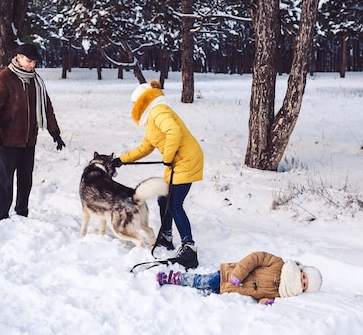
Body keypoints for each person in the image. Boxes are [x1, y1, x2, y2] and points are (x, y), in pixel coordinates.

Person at [112, 79, 204, 268]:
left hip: (186, 160)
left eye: (134, 103)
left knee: (175, 204)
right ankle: (167, 236)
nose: (132, 107)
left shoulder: (159, 111)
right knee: (164, 199)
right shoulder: (152, 117)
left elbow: (174, 132)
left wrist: (168, 156)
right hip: (178, 162)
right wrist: (122, 160)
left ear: (142, 101)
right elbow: (145, 147)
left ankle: (189, 248)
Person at [0, 43, 65, 222]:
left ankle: (22, 213)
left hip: (29, 140)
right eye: (29, 61)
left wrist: (55, 132)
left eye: (34, 62)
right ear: (19, 57)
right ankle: (1, 216)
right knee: (5, 181)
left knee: (25, 180)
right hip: (8, 140)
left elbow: (46, 107)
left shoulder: (35, 81)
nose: (32, 65)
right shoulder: (4, 79)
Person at [156, 251, 322, 305]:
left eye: (305, 284)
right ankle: (176, 278)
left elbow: (264, 295)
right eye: (304, 276)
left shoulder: (283, 292)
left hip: (230, 291)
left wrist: (264, 301)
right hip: (229, 276)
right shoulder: (279, 264)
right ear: (302, 270)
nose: (302, 281)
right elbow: (255, 258)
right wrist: (238, 274)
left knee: (204, 298)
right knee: (202, 281)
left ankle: (179, 296)